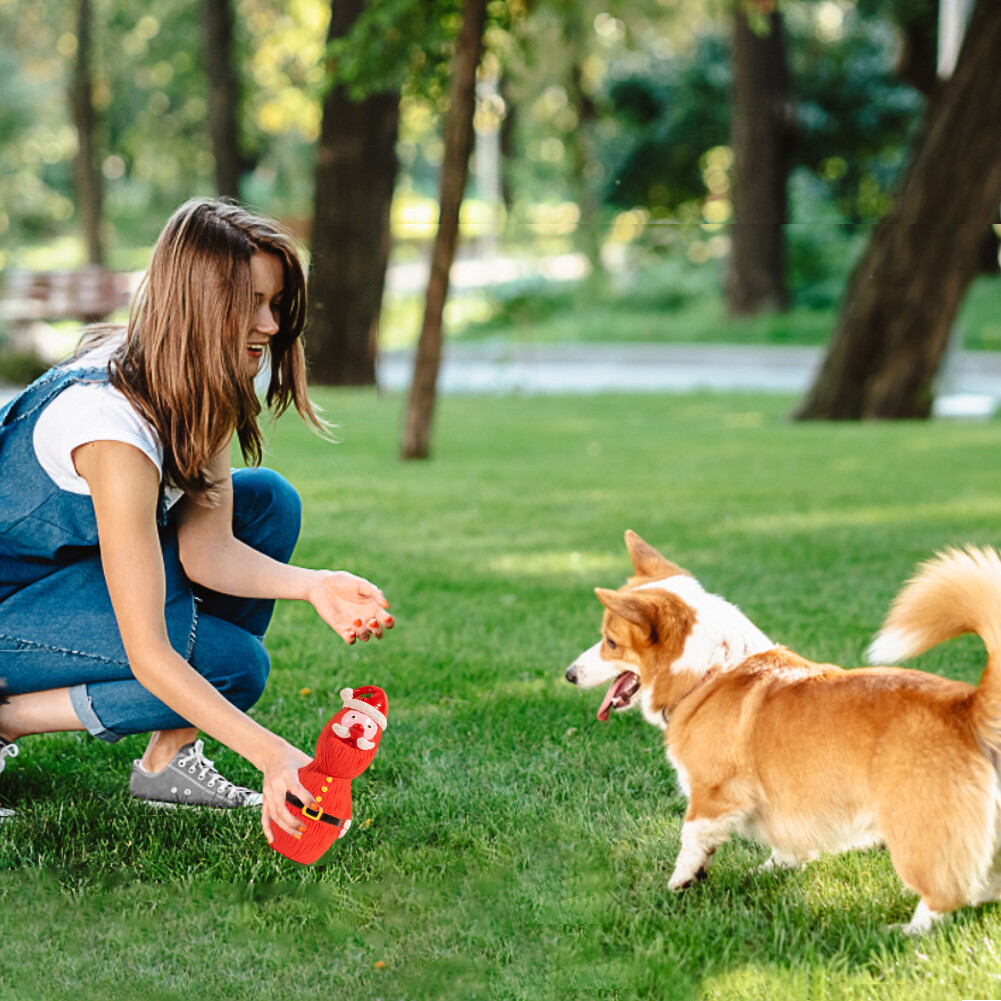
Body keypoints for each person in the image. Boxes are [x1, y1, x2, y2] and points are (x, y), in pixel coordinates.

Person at [0, 198, 393, 846]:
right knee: (232, 665)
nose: (269, 325)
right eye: (255, 303)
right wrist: (275, 756)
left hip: (49, 588)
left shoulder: (192, 383)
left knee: (266, 501)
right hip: (13, 606)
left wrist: (313, 583)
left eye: (276, 304)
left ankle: (168, 762)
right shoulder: (111, 429)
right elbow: (148, 652)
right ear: (202, 302)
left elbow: (207, 552)